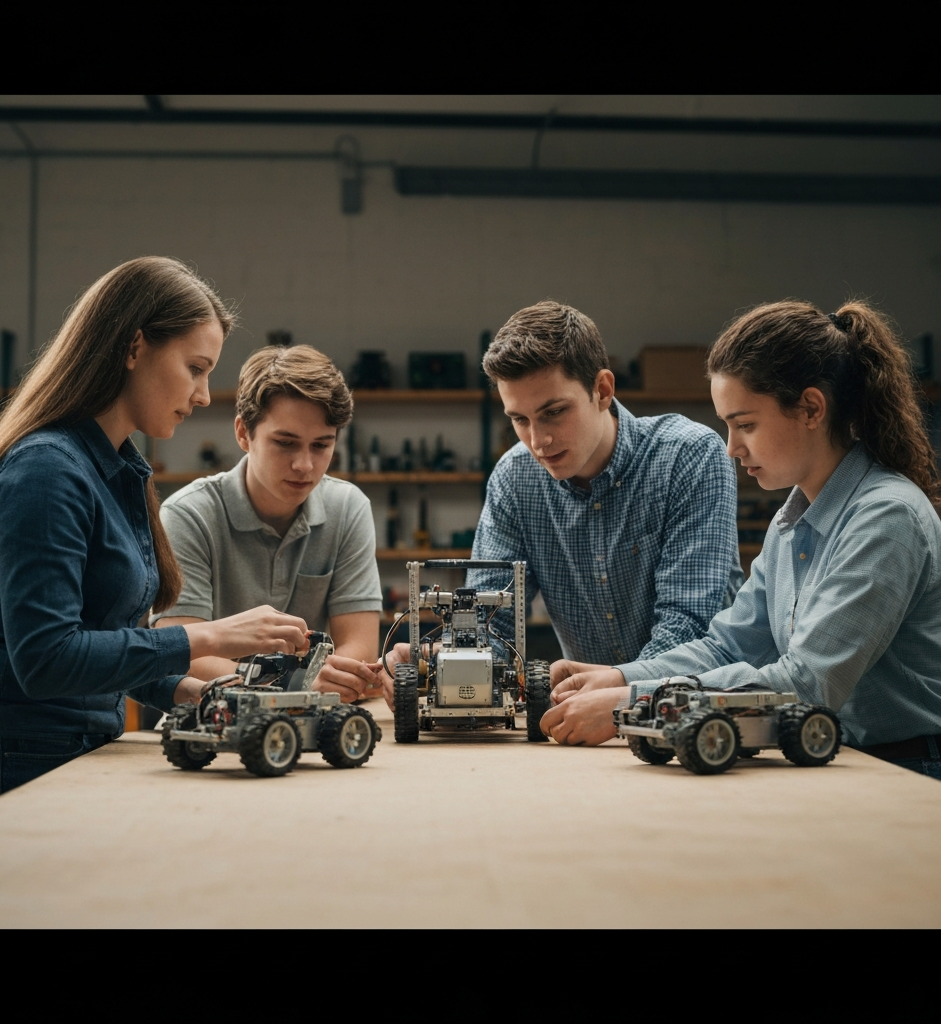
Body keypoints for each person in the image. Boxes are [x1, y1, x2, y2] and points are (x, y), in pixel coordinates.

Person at [0, 257, 311, 828]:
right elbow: (47, 658)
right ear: (134, 347)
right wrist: (211, 635)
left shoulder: (118, 466)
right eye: (195, 368)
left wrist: (198, 693)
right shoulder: (46, 471)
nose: (204, 395)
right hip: (5, 764)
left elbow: (105, 646)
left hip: (70, 754)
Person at [543, 300, 941, 780]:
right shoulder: (792, 522)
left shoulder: (886, 517)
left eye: (745, 424)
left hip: (908, 769)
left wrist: (631, 703)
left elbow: (805, 682)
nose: (731, 448)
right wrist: (622, 676)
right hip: (839, 759)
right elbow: (728, 646)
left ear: (811, 408)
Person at [377, 300, 743, 706]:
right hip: (584, 717)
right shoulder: (515, 478)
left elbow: (687, 627)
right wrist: (440, 662)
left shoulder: (689, 457)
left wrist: (619, 694)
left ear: (602, 390)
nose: (537, 441)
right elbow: (489, 626)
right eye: (519, 419)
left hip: (692, 709)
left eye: (553, 412)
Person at [152, 345, 382, 702]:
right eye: (286, 443)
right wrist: (294, 687)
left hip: (312, 718)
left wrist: (320, 684)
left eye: (321, 445)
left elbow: (362, 645)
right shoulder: (187, 515)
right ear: (244, 434)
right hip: (210, 720)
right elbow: (181, 652)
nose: (305, 465)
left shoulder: (347, 508)